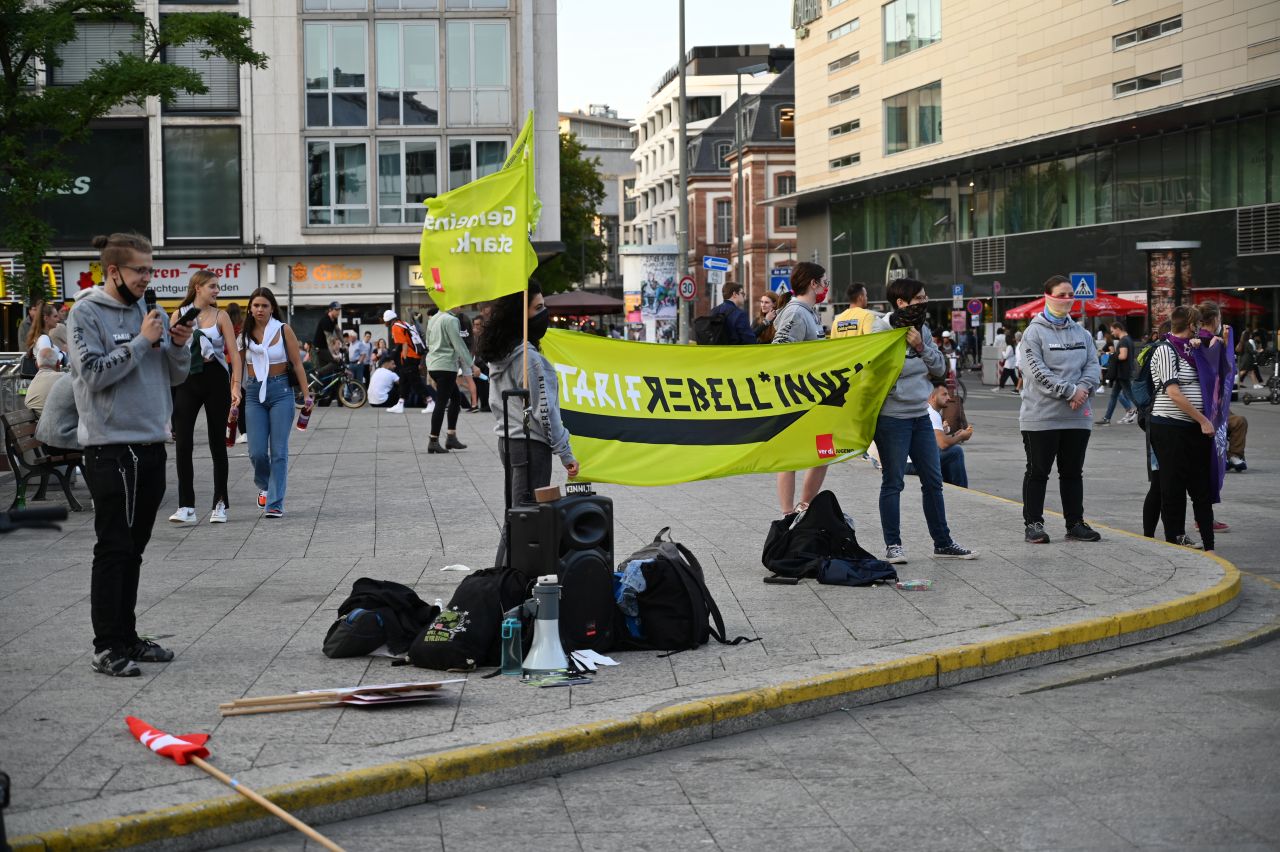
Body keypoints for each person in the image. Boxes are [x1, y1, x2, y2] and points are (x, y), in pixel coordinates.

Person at [68, 232, 193, 676]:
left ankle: (127, 637)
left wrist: (178, 343)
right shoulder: (85, 312)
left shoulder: (150, 309)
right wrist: (142, 341)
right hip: (110, 449)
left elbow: (175, 374)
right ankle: (106, 646)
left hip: (151, 444)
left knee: (134, 550)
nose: (148, 278)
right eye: (140, 270)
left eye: (151, 269)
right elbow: (96, 374)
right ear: (114, 271)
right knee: (114, 548)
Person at [871, 277, 977, 563]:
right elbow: (874, 373)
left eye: (925, 297)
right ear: (901, 303)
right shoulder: (880, 329)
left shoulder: (923, 330)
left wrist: (921, 346)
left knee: (933, 480)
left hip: (919, 414)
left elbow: (940, 368)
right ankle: (893, 545)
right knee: (893, 482)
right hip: (891, 418)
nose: (924, 303)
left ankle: (942, 542)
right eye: (919, 298)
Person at [1017, 275, 1103, 544]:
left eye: (1070, 295)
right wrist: (1069, 391)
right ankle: (1033, 524)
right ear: (1048, 296)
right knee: (1037, 472)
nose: (1067, 300)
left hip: (1077, 417)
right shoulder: (1033, 333)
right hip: (1041, 417)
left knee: (1072, 473)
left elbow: (1093, 366)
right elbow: (1035, 372)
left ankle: (1075, 523)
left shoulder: (1082, 333)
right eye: (1061, 295)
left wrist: (1083, 389)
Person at [481, 281, 578, 512]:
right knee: (526, 519)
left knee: (517, 517)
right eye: (538, 308)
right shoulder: (528, 359)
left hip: (508, 441)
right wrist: (565, 453)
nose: (544, 313)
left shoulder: (500, 354)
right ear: (519, 314)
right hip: (530, 446)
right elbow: (544, 410)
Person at [167, 271, 242, 525]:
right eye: (212, 286)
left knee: (216, 443)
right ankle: (186, 506)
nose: (217, 291)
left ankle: (220, 503)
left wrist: (236, 386)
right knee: (183, 443)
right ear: (198, 287)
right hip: (187, 379)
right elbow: (170, 351)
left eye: (218, 287)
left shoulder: (221, 316)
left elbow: (234, 354)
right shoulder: (179, 314)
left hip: (215, 379)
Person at [1147, 305, 1216, 552]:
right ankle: (1174, 539)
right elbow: (1173, 392)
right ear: (1191, 325)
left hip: (1193, 429)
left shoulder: (1191, 349)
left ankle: (1209, 543)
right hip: (1169, 427)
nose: (1200, 329)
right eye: (1198, 324)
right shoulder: (1166, 350)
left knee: (1201, 487)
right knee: (1172, 487)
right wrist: (1203, 420)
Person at [240, 287, 310, 519]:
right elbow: (237, 368)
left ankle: (275, 503)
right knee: (256, 452)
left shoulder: (283, 329)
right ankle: (265, 485)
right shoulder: (244, 333)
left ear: (272, 309)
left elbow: (297, 364)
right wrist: (233, 391)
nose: (260, 309)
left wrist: (307, 394)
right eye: (256, 305)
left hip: (281, 391)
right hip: (253, 393)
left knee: (279, 451)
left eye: (264, 305)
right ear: (250, 308)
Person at [772, 263, 829, 515]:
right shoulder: (796, 312)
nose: (826, 286)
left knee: (825, 451)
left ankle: (804, 506)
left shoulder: (809, 311)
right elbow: (780, 351)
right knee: (790, 456)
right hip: (797, 397)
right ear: (813, 283)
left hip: (814, 398)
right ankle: (788, 513)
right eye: (824, 281)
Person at [426, 305, 479, 453]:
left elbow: (428, 341)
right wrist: (472, 365)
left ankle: (451, 436)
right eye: (460, 305)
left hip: (434, 364)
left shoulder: (435, 317)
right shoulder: (451, 320)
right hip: (446, 366)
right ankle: (433, 440)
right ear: (453, 304)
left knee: (456, 398)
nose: (461, 308)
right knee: (442, 403)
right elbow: (459, 345)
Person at [385, 309, 433, 411]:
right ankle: (400, 404)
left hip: (409, 358)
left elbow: (404, 344)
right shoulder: (403, 323)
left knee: (415, 382)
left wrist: (405, 359)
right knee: (403, 381)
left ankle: (430, 402)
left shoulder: (396, 327)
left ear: (388, 321)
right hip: (414, 356)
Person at [928, 383, 971, 487]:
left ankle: (948, 486)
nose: (948, 397)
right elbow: (943, 444)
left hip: (914, 459)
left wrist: (953, 436)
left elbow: (936, 441)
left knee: (947, 452)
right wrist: (962, 436)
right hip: (914, 463)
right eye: (944, 394)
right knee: (956, 451)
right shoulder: (932, 413)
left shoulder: (930, 411)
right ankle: (962, 490)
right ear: (933, 397)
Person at [1097, 321, 1137, 425]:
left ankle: (1145, 412)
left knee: (1130, 395)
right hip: (1123, 372)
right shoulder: (1128, 339)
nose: (1112, 333)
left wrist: (1112, 356)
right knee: (1114, 395)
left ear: (1118, 328)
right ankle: (1107, 418)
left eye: (1113, 330)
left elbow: (1123, 356)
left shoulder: (1123, 341)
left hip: (1123, 373)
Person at [23, 347, 63, 415]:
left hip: (39, 424)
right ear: (58, 363)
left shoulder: (32, 385)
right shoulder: (65, 378)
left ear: (36, 365)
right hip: (64, 424)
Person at [312, 300, 342, 376]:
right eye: (336, 310)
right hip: (320, 348)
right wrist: (333, 355)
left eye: (339, 310)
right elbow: (329, 339)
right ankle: (317, 373)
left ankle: (320, 382)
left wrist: (344, 344)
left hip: (324, 348)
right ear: (330, 310)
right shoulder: (325, 321)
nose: (338, 312)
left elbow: (338, 331)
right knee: (336, 362)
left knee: (326, 372)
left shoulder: (334, 319)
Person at [471, 316, 491, 412]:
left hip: (486, 364)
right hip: (477, 364)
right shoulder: (474, 337)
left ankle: (486, 405)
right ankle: (475, 405)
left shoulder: (487, 336)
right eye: (474, 324)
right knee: (476, 383)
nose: (476, 326)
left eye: (478, 324)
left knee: (484, 385)